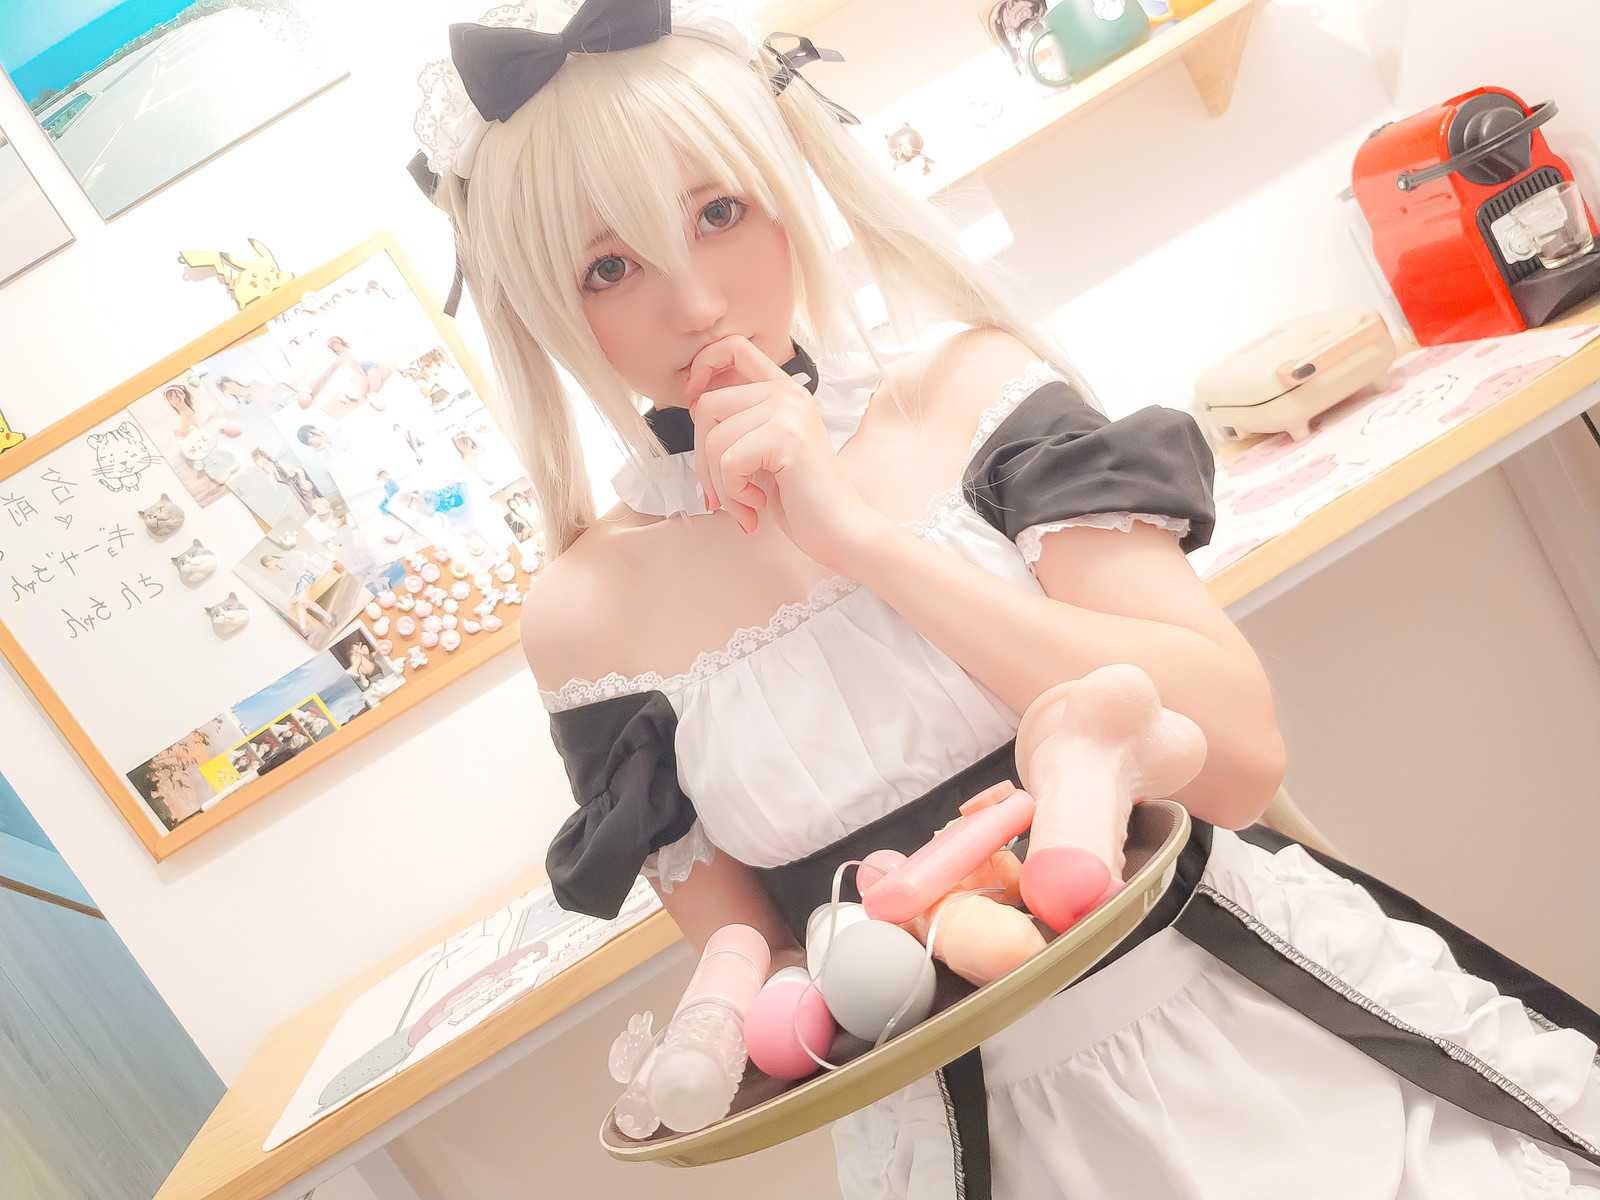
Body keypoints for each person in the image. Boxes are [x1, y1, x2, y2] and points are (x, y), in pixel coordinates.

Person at [412, 4, 1600, 1197]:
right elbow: (758, 970)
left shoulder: (967, 398)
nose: (693, 304)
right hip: (982, 1144)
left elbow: (1237, 759)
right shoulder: (585, 620)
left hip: (1262, 1028)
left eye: (717, 213)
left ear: (784, 190)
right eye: (609, 268)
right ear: (548, 308)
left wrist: (857, 538)